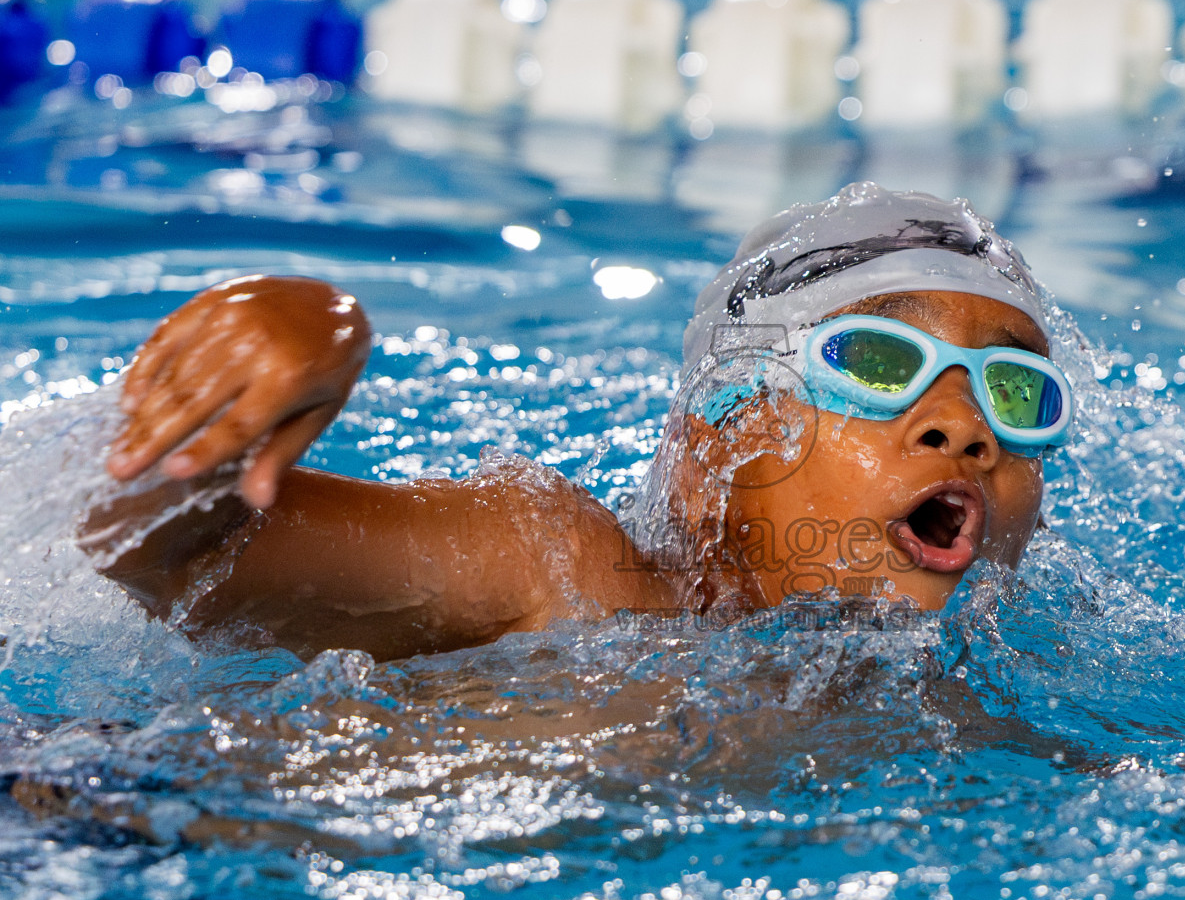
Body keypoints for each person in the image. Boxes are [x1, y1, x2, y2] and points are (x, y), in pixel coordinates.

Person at [87, 183, 1074, 660]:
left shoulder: (978, 705)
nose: (964, 430)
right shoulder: (562, 573)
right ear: (715, 445)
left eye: (1013, 392)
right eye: (877, 364)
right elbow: (145, 551)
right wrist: (301, 335)